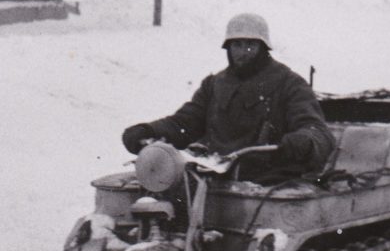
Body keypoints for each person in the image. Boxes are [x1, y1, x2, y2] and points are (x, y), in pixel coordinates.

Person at [121, 13, 335, 180]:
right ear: (228, 48)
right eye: (237, 45)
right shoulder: (215, 84)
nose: (243, 52)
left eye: (251, 45)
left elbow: (317, 130)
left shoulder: (289, 83)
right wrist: (150, 130)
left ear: (263, 48)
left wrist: (303, 142)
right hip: (214, 174)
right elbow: (186, 122)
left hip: (269, 177)